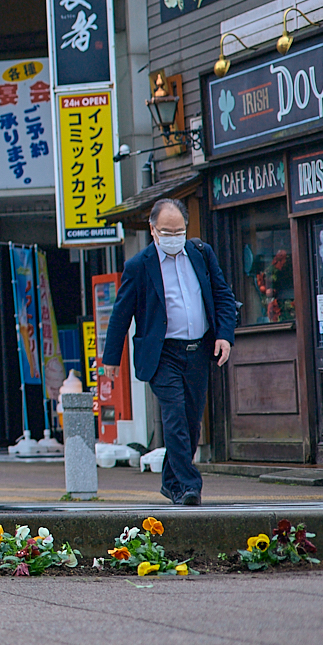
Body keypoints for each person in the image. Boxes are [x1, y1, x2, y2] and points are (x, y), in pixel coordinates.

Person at [103, 197, 238, 507]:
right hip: (162, 354)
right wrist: (111, 358)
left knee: (191, 422)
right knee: (174, 417)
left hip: (198, 350)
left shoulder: (201, 254)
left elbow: (223, 296)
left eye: (179, 230)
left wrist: (224, 336)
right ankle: (190, 486)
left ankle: (170, 482)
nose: (174, 237)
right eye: (167, 231)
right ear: (153, 230)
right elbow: (121, 314)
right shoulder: (139, 266)